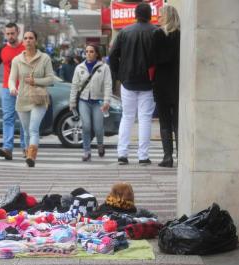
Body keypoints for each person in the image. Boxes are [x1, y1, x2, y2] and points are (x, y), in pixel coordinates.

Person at [109, 2, 157, 166]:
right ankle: (143, 156)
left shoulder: (124, 32)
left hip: (127, 81)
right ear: (150, 15)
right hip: (149, 82)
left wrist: (117, 75)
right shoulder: (156, 32)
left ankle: (122, 154)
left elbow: (113, 55)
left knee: (127, 117)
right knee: (145, 118)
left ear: (135, 15)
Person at [8, 31, 54, 167]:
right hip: (22, 98)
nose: (28, 40)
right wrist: (12, 88)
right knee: (26, 130)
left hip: (39, 99)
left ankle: (32, 157)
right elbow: (12, 78)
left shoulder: (45, 58)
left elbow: (51, 79)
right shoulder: (17, 60)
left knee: (33, 129)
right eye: (26, 38)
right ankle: (28, 153)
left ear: (36, 41)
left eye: (31, 38)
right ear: (23, 42)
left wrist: (36, 81)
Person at [0, 22, 26, 160]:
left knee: (24, 119)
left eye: (12, 33)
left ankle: (26, 148)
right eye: (7, 34)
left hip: (25, 89)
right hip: (7, 89)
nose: (10, 36)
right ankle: (7, 148)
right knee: (7, 118)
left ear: (18, 32)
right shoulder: (2, 50)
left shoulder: (26, 48)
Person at [69, 44, 112, 161]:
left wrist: (107, 101)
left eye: (91, 51)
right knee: (86, 126)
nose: (88, 53)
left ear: (97, 53)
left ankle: (100, 145)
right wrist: (72, 102)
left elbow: (108, 85)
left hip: (98, 101)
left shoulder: (104, 67)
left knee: (98, 128)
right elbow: (74, 86)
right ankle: (86, 151)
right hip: (84, 101)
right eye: (87, 51)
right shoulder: (79, 68)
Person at [153, 5, 180, 167]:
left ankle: (168, 157)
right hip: (178, 82)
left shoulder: (157, 34)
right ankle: (181, 156)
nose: (158, 18)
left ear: (167, 17)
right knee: (178, 121)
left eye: (161, 16)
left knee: (164, 121)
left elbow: (153, 58)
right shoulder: (181, 34)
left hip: (161, 82)